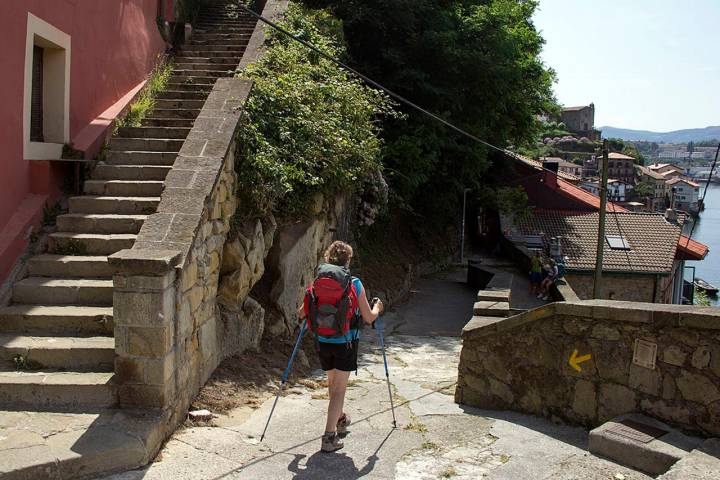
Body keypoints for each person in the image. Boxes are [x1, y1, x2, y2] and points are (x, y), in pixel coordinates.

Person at [297, 241, 383, 453]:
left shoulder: (318, 282)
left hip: (323, 341)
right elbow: (368, 317)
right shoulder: (354, 283)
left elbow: (301, 312)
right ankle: (328, 438)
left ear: (328, 258)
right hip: (345, 342)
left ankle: (341, 418)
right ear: (348, 261)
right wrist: (378, 308)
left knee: (333, 384)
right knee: (339, 390)